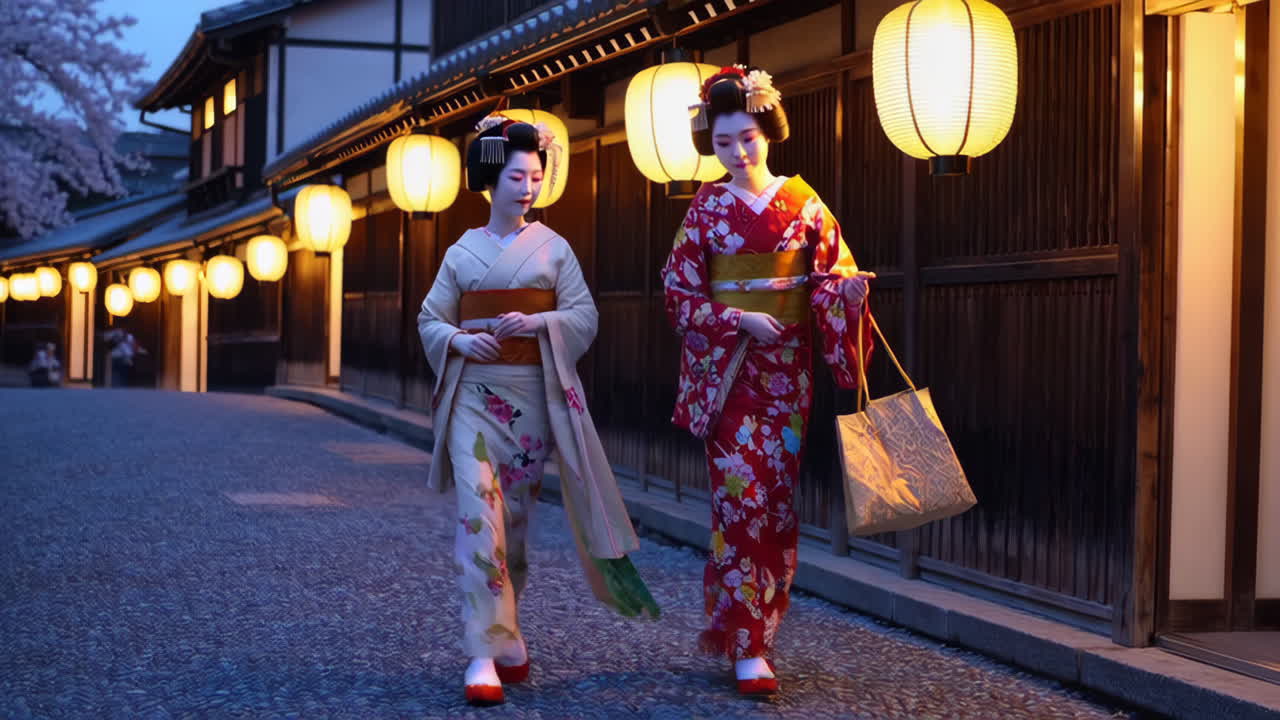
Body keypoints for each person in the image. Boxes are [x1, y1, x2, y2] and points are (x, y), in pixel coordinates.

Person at [417, 113, 659, 707]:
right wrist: (458, 341)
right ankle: (482, 652)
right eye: (516, 177)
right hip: (474, 395)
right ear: (489, 181)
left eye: (535, 176)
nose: (527, 188)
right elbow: (430, 318)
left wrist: (540, 321)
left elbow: (584, 318)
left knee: (514, 526)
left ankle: (509, 630)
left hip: (530, 398)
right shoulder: (461, 253)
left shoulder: (555, 250)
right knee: (480, 520)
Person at [660, 65, 875, 696]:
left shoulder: (804, 202)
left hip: (787, 376)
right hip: (730, 376)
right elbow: (677, 293)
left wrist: (847, 294)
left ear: (768, 131)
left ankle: (760, 633)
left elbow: (832, 277)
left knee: (776, 501)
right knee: (738, 502)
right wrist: (735, 318)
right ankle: (746, 640)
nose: (737, 152)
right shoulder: (706, 208)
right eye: (723, 142)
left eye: (747, 137)